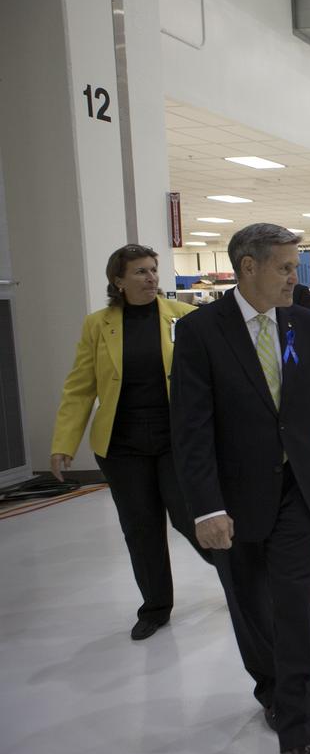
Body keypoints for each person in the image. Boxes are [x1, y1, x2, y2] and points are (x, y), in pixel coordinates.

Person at [170, 223, 310, 754]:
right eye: (284, 267)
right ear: (248, 267)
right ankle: (271, 685)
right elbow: (191, 429)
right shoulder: (199, 332)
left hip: (295, 492)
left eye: (294, 265)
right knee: (251, 607)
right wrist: (206, 508)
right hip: (232, 501)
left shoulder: (303, 325)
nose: (294, 276)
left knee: (294, 605)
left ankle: (301, 734)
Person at [50, 245, 208, 641]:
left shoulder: (185, 319)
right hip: (121, 444)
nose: (151, 278)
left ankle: (241, 577)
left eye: (153, 270)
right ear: (117, 282)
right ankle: (155, 606)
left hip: (175, 439)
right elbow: (80, 388)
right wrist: (63, 442)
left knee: (193, 518)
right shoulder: (98, 325)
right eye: (140, 272)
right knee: (140, 528)